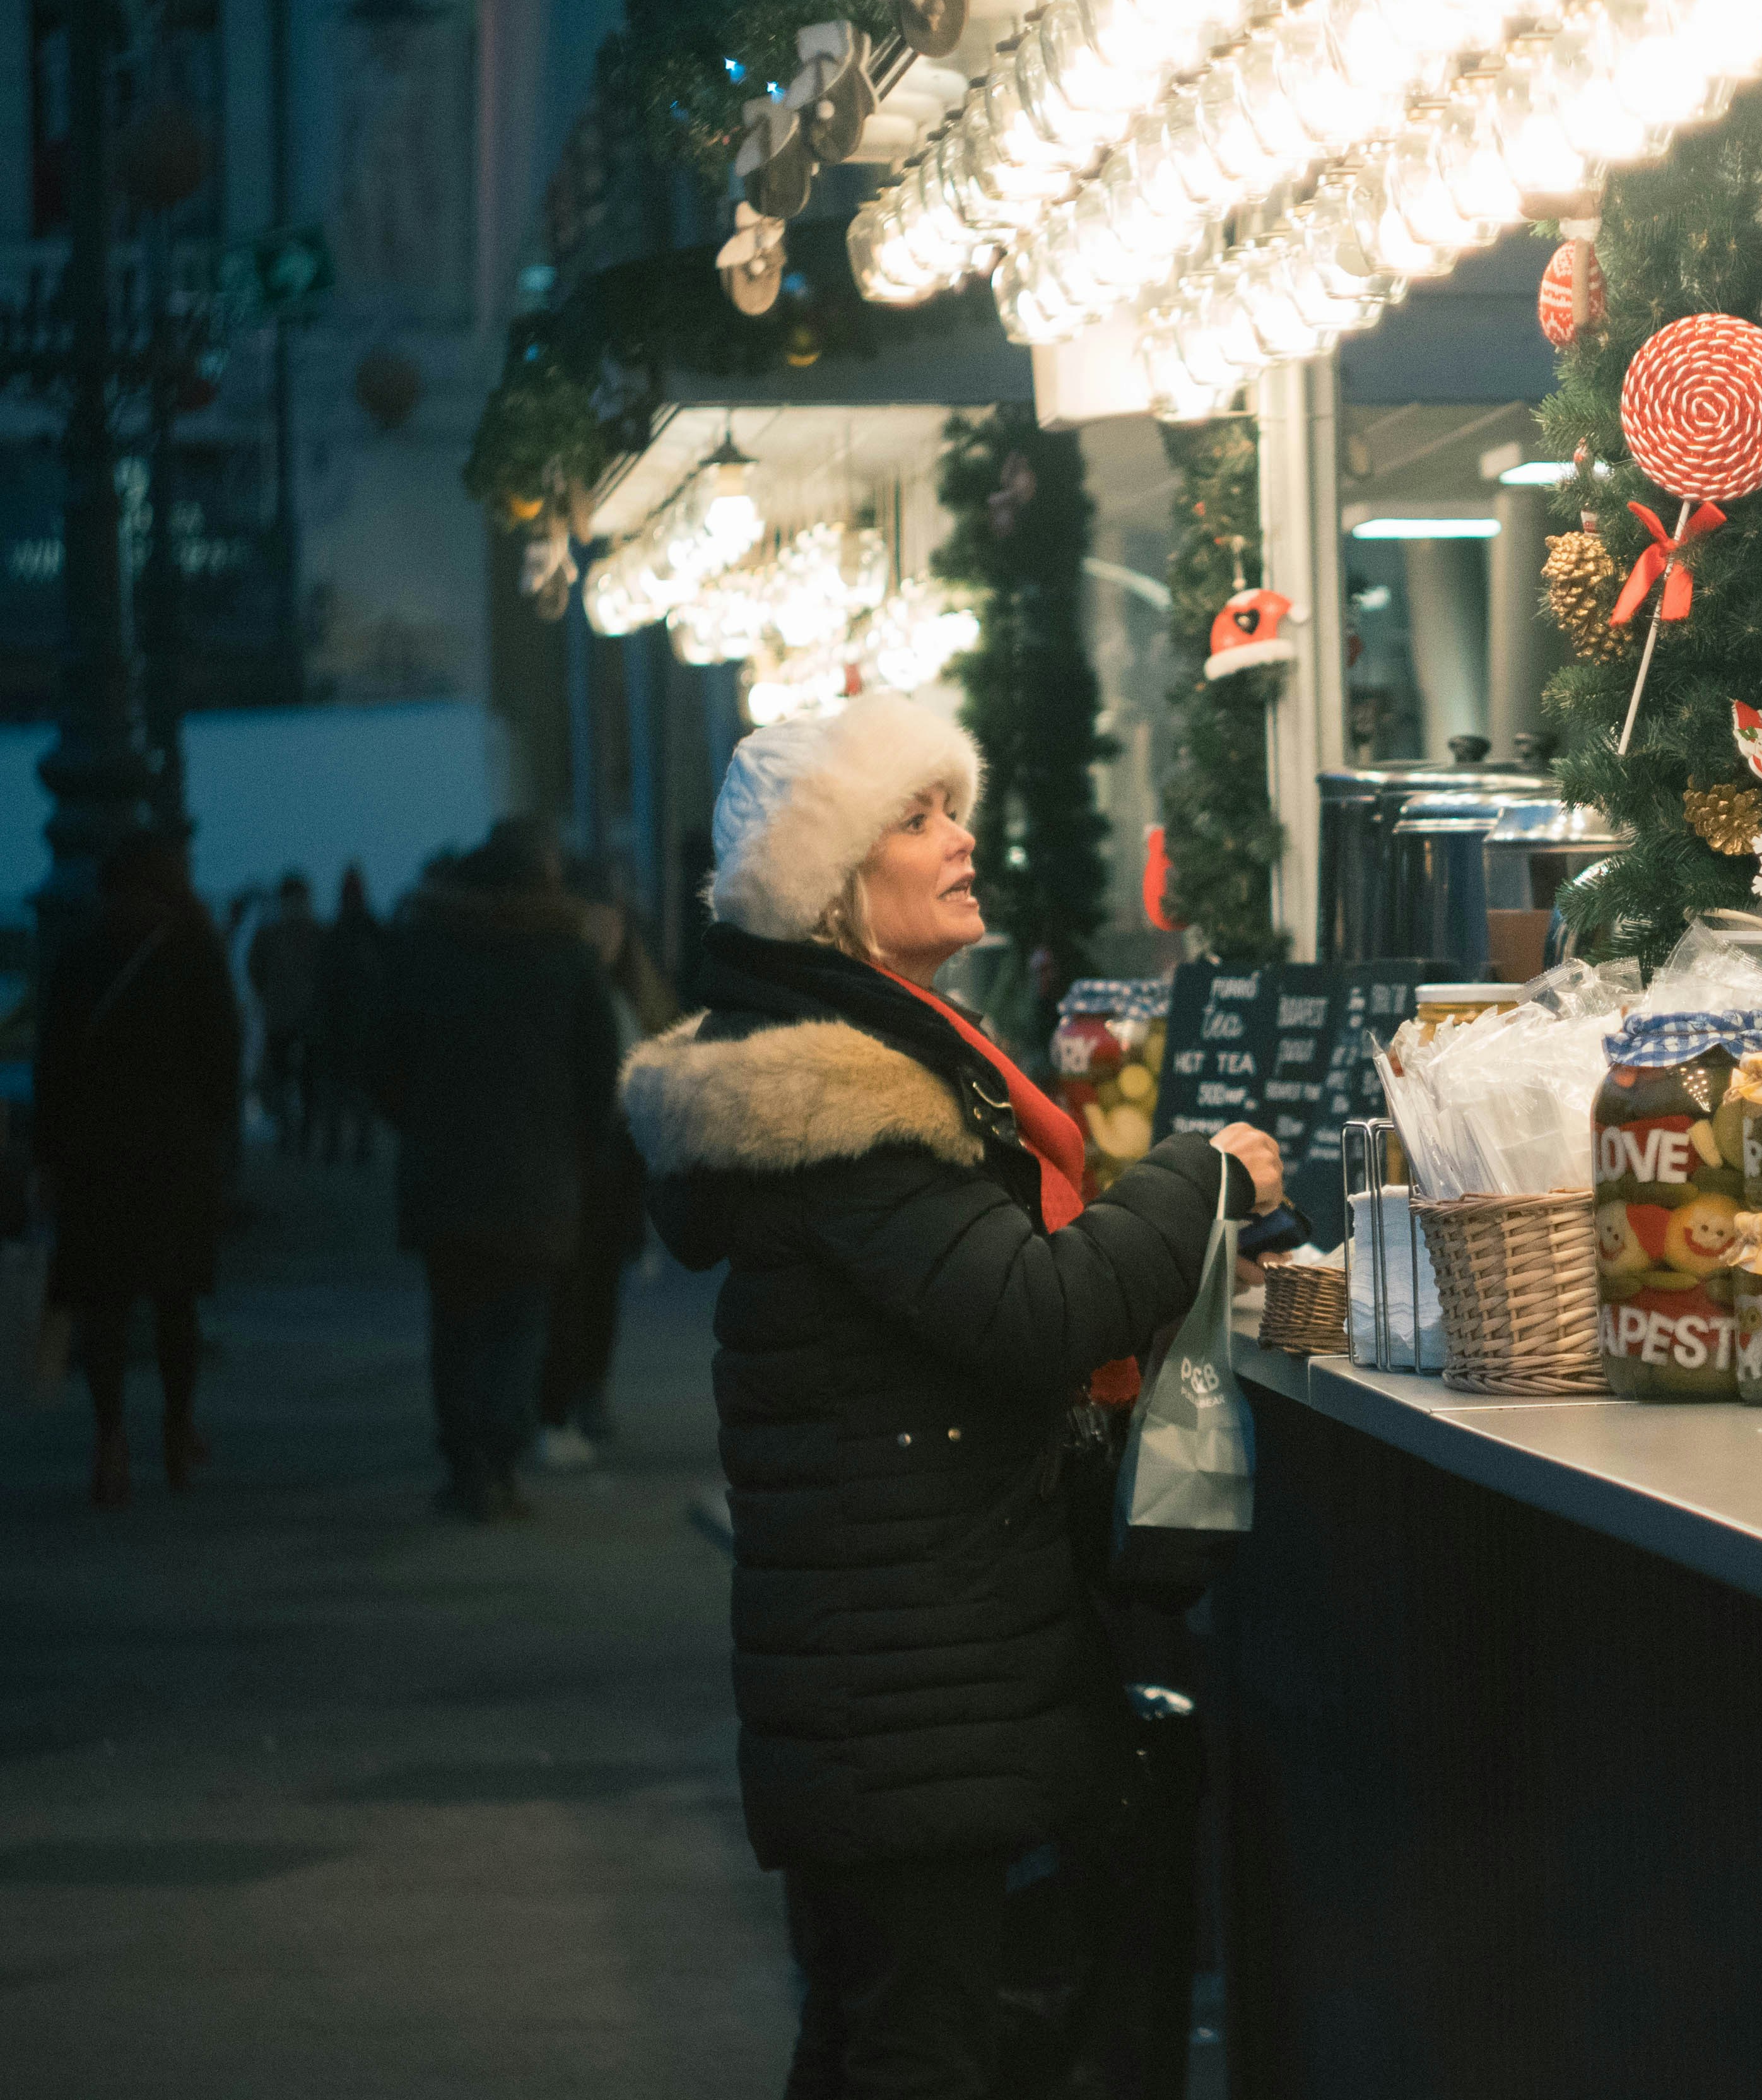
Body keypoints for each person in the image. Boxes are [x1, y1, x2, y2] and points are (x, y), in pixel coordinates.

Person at [620, 690, 1267, 2100]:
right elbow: (1034, 1311)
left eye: (951, 806)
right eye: (915, 816)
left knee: (872, 2030)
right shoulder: (843, 1107)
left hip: (900, 1665)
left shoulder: (868, 1074)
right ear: (832, 890)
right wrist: (1203, 1175)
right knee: (921, 2040)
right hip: (906, 1678)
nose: (960, 838)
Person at [365, 819, 622, 1522]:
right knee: (521, 1320)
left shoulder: (424, 949)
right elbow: (601, 1070)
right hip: (537, 1176)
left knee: (455, 1320)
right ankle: (501, 1458)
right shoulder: (567, 956)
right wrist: (581, 1145)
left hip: (444, 1175)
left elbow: (384, 1061)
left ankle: (465, 1462)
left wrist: (419, 1123)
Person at [34, 830, 244, 1506]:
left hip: (95, 1156)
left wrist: (48, 1153)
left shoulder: (79, 955)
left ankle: (109, 1440)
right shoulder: (192, 952)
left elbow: (53, 1066)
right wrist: (213, 1134)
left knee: (105, 1307)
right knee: (175, 1299)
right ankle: (179, 1430)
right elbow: (221, 1062)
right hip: (175, 1153)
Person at [534, 860, 681, 1468]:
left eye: (611, 918)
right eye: (593, 918)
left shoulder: (637, 988)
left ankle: (590, 1390)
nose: (603, 930)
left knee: (601, 1287)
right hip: (576, 1158)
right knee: (571, 1289)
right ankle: (563, 1399)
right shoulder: (564, 984)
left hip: (621, 1162)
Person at [244, 871, 327, 1158]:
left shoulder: (315, 934)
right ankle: (289, 1131)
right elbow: (255, 968)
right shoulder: (276, 935)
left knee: (304, 1080)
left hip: (304, 1019)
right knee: (284, 1078)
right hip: (287, 1018)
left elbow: (255, 969)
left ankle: (297, 1134)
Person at [315, 866, 392, 1165]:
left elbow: (324, 979)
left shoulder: (339, 930)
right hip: (359, 1022)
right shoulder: (368, 929)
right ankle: (357, 1145)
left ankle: (340, 1145)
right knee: (357, 1089)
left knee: (342, 1088)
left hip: (344, 1021)